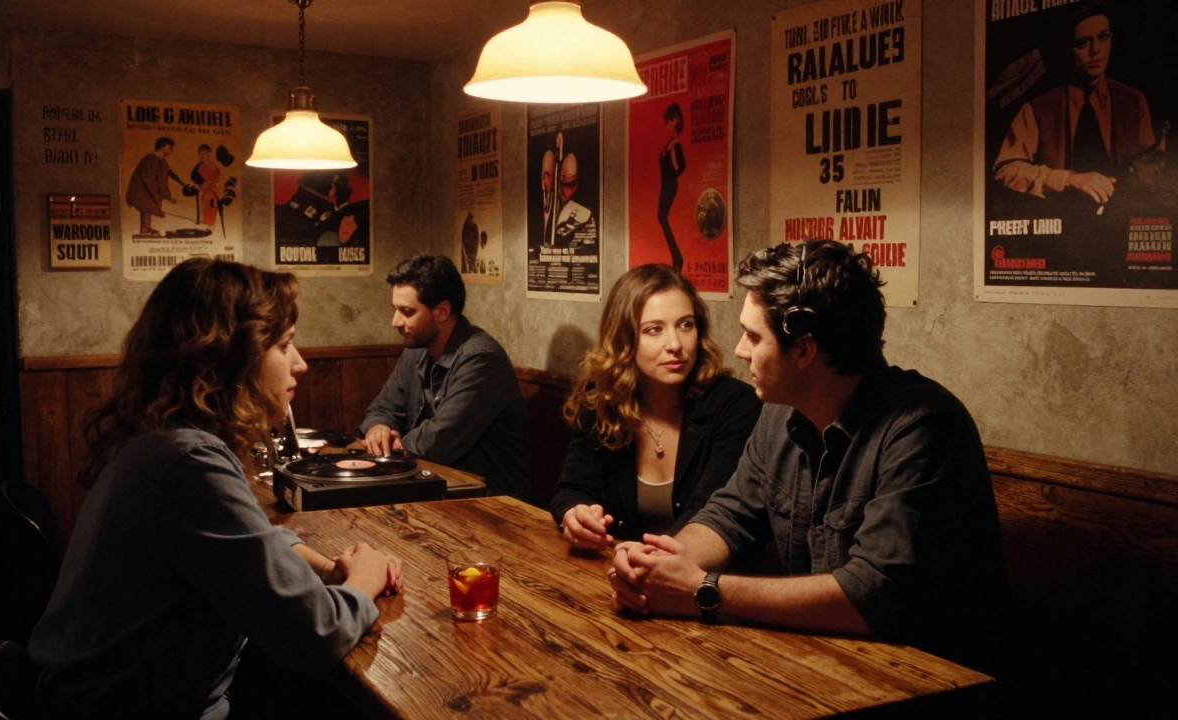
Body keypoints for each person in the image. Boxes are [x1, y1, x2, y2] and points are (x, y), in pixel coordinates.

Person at [28, 258, 403, 718]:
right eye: (285, 344)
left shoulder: (161, 438)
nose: (301, 363)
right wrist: (365, 579)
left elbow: (246, 544)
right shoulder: (188, 464)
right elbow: (313, 635)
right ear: (229, 356)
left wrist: (325, 568)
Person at [609, 240, 1007, 672]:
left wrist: (703, 590)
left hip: (930, 681)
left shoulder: (922, 428)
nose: (740, 350)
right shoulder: (780, 413)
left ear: (803, 349)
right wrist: (660, 563)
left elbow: (870, 592)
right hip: (829, 665)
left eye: (753, 336)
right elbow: (731, 513)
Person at [551, 264, 760, 549]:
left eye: (686, 325)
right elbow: (573, 488)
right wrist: (576, 515)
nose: (675, 343)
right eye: (653, 330)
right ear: (624, 339)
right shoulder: (602, 399)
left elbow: (710, 515)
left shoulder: (733, 404)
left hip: (710, 581)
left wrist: (645, 561)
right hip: (618, 570)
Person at [360, 255, 532, 500]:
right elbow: (382, 407)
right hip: (435, 490)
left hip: (489, 502)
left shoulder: (481, 359)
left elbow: (439, 440)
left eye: (406, 312)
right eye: (395, 310)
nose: (395, 322)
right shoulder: (417, 347)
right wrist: (379, 428)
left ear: (442, 311)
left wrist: (397, 444)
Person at [993, 1, 1160, 211]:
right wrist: (1069, 180)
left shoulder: (1134, 101)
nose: (1095, 50)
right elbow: (1005, 170)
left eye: (1103, 37)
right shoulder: (1037, 109)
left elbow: (1153, 168)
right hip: (1061, 224)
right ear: (1067, 48)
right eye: (1083, 43)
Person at [125, 136, 186, 236]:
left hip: (149, 187)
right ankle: (145, 229)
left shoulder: (162, 161)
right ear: (162, 147)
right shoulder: (149, 159)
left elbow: (169, 173)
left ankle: (146, 228)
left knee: (149, 206)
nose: (171, 150)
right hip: (141, 188)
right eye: (169, 147)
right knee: (147, 205)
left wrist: (182, 183)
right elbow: (148, 179)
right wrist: (159, 194)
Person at [658, 103, 687, 271]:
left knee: (662, 217)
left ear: (673, 121)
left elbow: (678, 168)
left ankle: (677, 257)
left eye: (667, 122)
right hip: (665, 184)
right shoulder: (669, 143)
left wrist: (673, 146)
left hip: (670, 185)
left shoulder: (676, 145)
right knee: (661, 217)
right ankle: (676, 256)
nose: (665, 125)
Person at [190, 143, 221, 227]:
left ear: (209, 154)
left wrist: (206, 184)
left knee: (210, 211)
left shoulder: (214, 168)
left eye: (205, 154)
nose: (203, 156)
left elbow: (213, 181)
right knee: (203, 212)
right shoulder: (200, 167)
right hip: (203, 194)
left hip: (211, 194)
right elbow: (195, 177)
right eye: (201, 154)